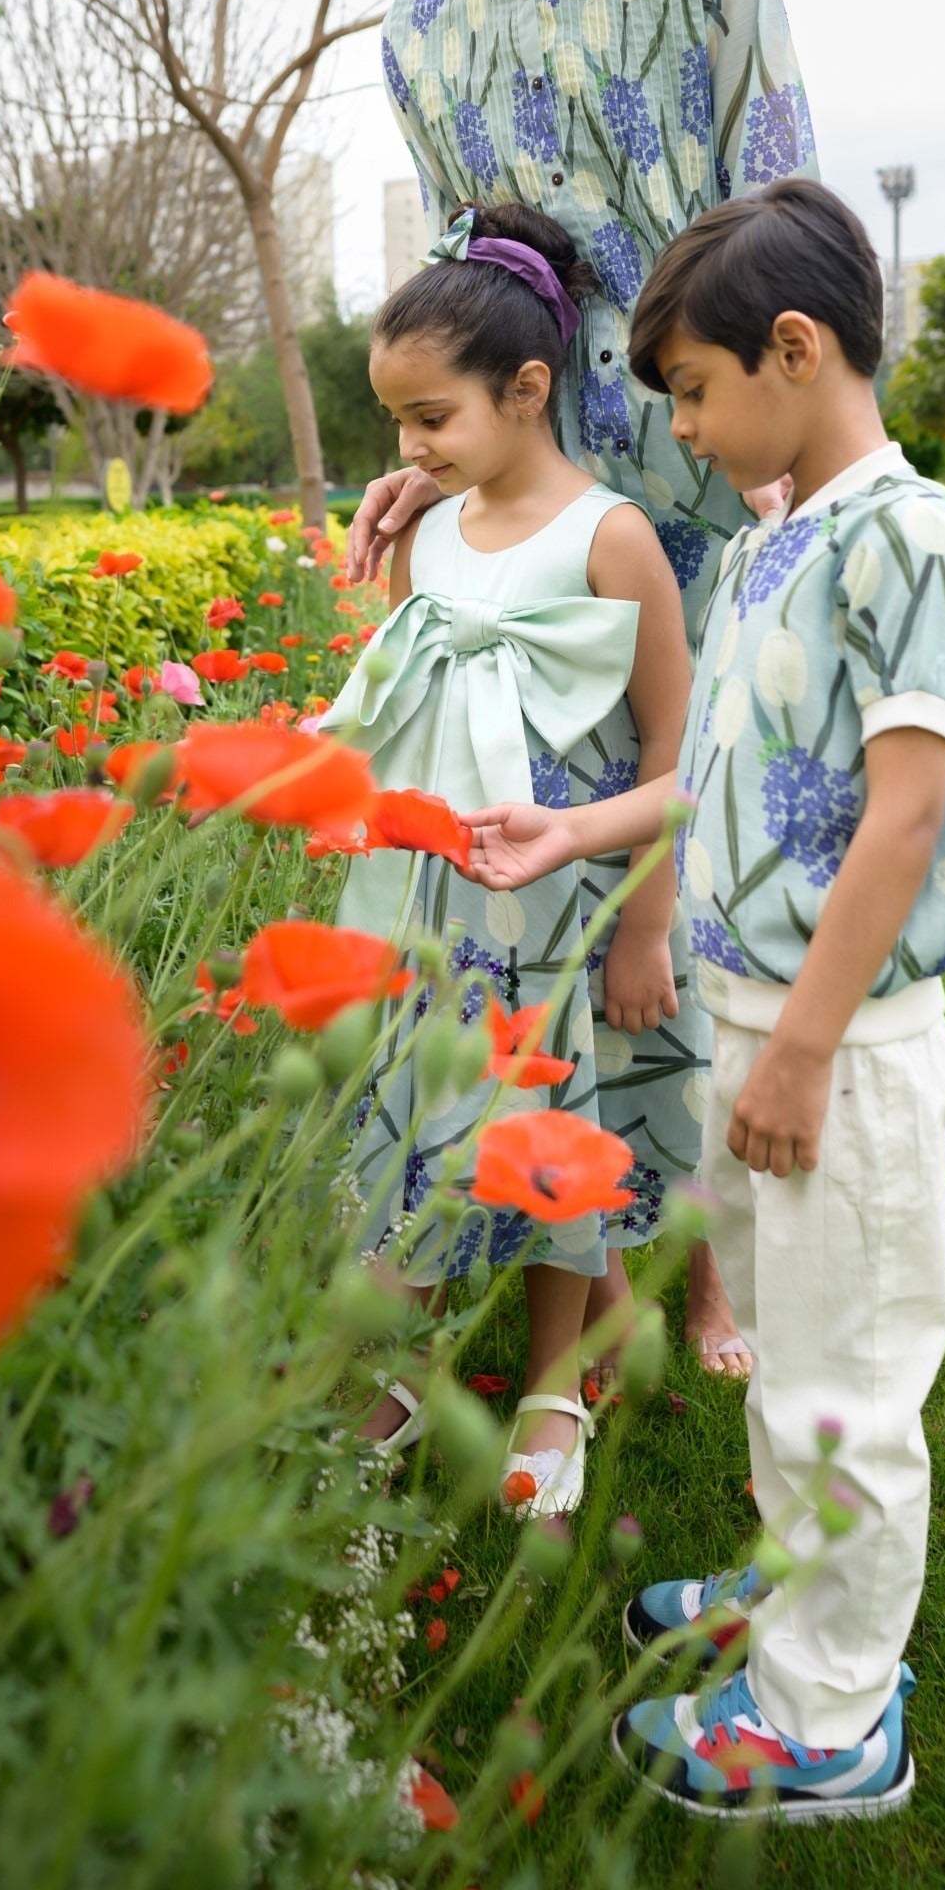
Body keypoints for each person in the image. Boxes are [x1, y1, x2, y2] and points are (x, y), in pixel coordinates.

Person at [463, 178, 945, 1817]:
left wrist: (797, 1044)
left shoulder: (912, 535)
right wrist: (579, 826)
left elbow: (902, 820)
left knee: (847, 1382)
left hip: (832, 1049)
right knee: (785, 1354)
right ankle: (796, 1605)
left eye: (697, 389)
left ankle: (834, 1718)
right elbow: (721, 777)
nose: (687, 427)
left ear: (796, 345)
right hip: (773, 1029)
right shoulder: (787, 538)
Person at [350, 0, 820, 1379]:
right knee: (571, 875)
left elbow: (781, 214)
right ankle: (595, 1237)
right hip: (546, 524)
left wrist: (799, 496)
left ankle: (699, 1269)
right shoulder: (417, 29)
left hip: (725, 488)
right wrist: (436, 465)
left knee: (696, 883)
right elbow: (485, 285)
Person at [320, 201, 700, 1518]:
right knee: (414, 1120)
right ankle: (404, 1352)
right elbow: (406, 710)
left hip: (565, 900)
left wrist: (645, 923)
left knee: (555, 1128)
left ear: (527, 390)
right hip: (436, 897)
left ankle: (554, 1377)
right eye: (398, 426)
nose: (408, 452)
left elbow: (672, 735)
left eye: (430, 419)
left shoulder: (610, 539)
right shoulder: (426, 532)